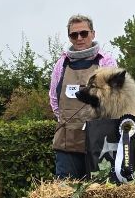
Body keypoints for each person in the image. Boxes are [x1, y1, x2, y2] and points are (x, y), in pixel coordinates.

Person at [49, 14, 117, 179]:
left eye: (84, 33)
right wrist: (69, 121)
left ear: (93, 34)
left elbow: (114, 99)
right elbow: (54, 99)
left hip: (99, 142)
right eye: (74, 35)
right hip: (67, 143)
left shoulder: (106, 61)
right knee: (64, 195)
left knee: (98, 195)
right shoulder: (61, 64)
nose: (79, 38)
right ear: (69, 37)